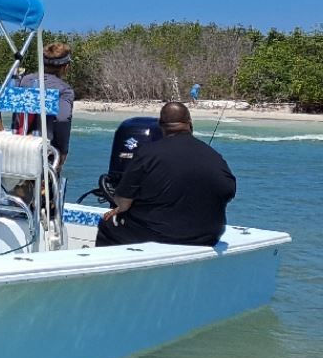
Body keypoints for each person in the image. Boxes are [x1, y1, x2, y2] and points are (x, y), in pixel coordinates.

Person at [96, 102, 236, 247]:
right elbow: (229, 192)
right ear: (190, 124)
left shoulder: (147, 154)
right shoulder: (214, 156)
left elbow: (123, 201)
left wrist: (122, 207)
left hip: (158, 235)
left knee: (107, 225)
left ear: (161, 126)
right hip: (207, 236)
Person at [15, 42, 75, 169]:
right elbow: (63, 119)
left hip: (18, 144)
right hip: (45, 151)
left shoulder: (24, 80)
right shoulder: (64, 90)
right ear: (65, 67)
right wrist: (62, 152)